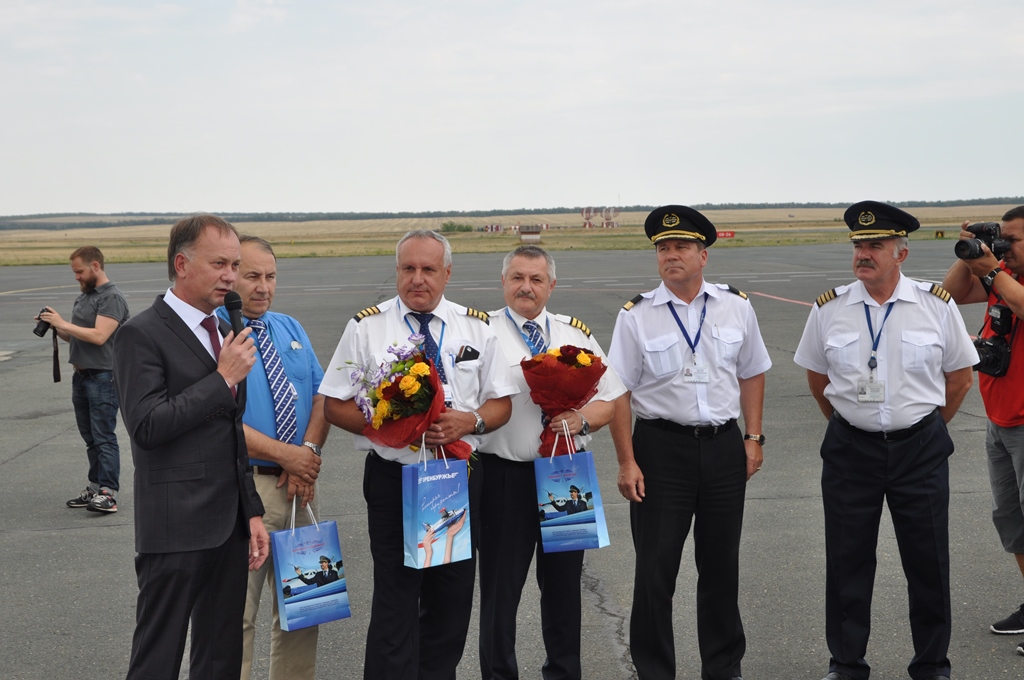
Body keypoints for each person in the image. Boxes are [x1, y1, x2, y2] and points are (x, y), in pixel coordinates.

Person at [319, 229, 516, 680]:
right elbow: (334, 404)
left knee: (451, 600)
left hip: (457, 479)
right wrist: (396, 431)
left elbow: (502, 403)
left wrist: (470, 422)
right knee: (396, 599)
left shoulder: (475, 327)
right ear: (397, 271)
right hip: (395, 481)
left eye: (428, 269)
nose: (417, 279)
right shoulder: (367, 327)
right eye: (408, 268)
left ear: (447, 273)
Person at [794, 201, 978, 680]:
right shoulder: (829, 308)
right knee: (847, 561)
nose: (863, 253)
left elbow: (960, 378)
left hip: (920, 449)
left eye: (875, 245)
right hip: (850, 450)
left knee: (928, 561)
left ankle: (932, 665)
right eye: (858, 244)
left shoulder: (936, 305)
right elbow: (818, 377)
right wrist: (850, 422)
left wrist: (927, 427)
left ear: (901, 253)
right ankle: (846, 664)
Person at [608, 205, 771, 680]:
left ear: (703, 255)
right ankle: (654, 671)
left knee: (721, 569)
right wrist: (627, 461)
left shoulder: (736, 306)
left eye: (681, 247)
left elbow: (752, 371)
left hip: (723, 448)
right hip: (661, 450)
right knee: (654, 573)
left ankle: (723, 668)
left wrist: (753, 437)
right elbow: (617, 392)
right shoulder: (637, 316)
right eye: (663, 248)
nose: (670, 255)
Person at [113, 214, 270, 680]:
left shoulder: (223, 329)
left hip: (228, 525)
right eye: (219, 264)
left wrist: (251, 511)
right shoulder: (141, 333)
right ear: (181, 265)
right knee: (157, 658)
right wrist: (222, 379)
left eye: (235, 265)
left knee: (221, 657)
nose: (231, 276)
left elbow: (231, 430)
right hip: (175, 525)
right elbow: (146, 425)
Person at [476, 244, 626, 680]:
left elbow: (610, 399)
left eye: (536, 279)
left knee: (563, 589)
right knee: (501, 593)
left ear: (551, 285)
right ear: (503, 282)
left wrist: (580, 419)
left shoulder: (573, 333)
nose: (526, 287)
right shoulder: (481, 332)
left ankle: (563, 673)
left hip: (566, 475)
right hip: (504, 477)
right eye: (518, 278)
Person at [215, 235, 329, 680]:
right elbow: (219, 419)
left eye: (270, 276)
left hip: (299, 489)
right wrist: (290, 457)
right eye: (252, 276)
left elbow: (322, 395)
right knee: (235, 615)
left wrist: (308, 455)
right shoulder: (215, 333)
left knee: (305, 608)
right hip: (244, 490)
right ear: (231, 277)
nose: (263, 287)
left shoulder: (290, 327)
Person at [941, 205, 1024, 656]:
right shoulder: (1001, 274)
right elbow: (949, 294)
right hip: (1000, 420)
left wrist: (992, 269)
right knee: (1012, 520)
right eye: (1001, 238)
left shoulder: (1004, 280)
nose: (1005, 247)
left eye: (1014, 240)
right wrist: (971, 250)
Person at [37, 246, 130, 513]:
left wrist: (63, 323)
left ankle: (108, 493)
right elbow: (77, 336)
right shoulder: (85, 297)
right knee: (90, 437)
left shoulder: (111, 298)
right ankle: (95, 487)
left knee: (103, 436)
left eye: (79, 271)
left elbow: (99, 336)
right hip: (81, 376)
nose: (76, 276)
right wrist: (56, 326)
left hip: (103, 377)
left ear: (95, 266)